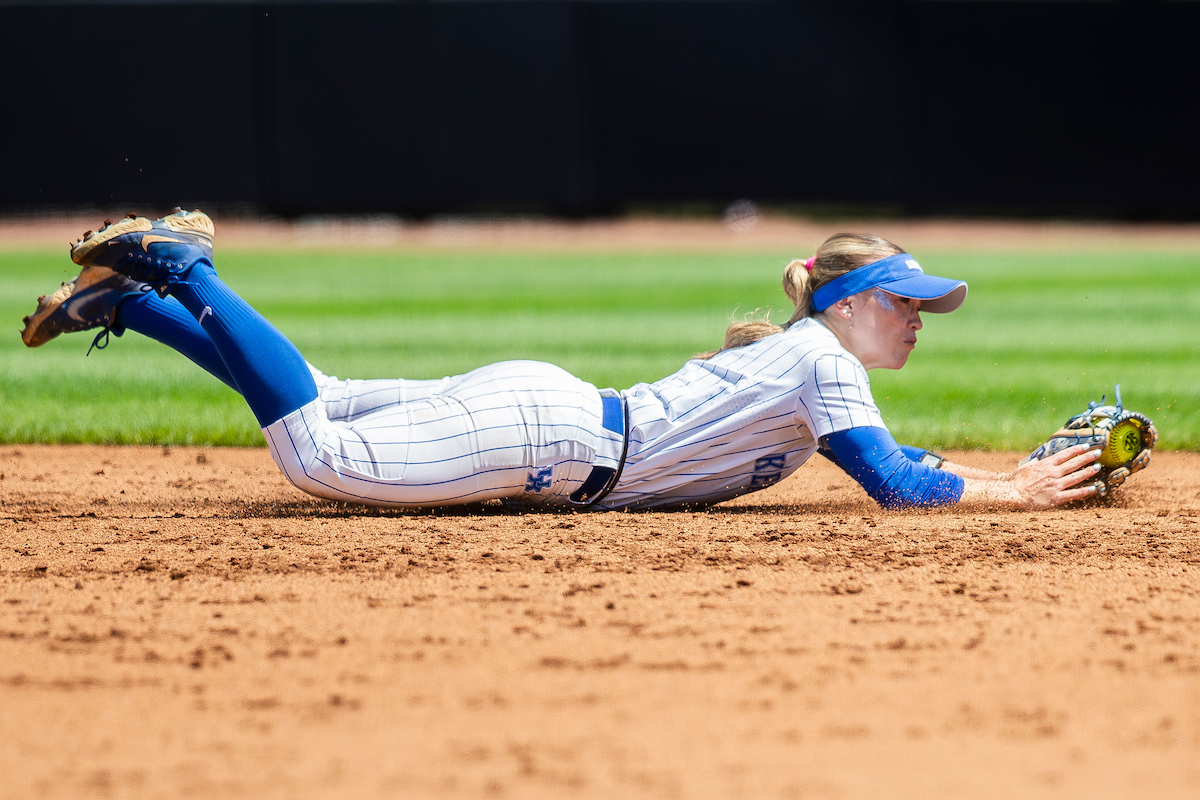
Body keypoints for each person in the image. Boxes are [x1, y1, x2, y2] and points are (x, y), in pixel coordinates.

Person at [21, 210, 1103, 512]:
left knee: (331, 400)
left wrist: (1005, 471)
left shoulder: (811, 357)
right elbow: (894, 483)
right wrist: (1017, 492)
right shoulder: (825, 361)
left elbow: (890, 454)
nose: (919, 321)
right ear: (855, 303)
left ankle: (137, 304)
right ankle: (185, 269)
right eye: (908, 304)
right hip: (549, 438)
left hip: (551, 411)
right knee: (316, 453)